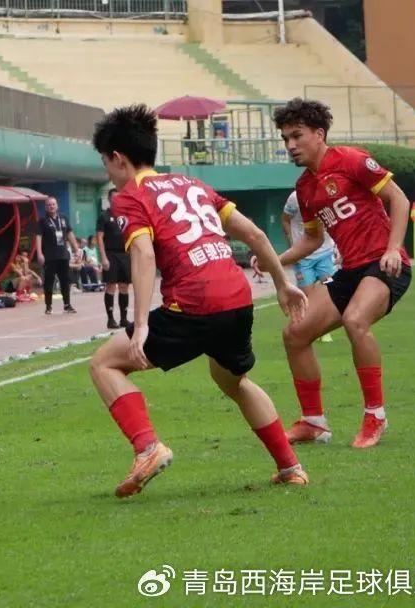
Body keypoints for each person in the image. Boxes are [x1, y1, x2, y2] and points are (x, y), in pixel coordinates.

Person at [88, 104, 310, 498]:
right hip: (237, 299)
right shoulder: (193, 185)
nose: (107, 172)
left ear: (118, 158)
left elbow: (143, 255)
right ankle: (290, 467)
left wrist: (141, 326)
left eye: (105, 163)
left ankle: (148, 448)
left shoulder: (129, 196)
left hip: (193, 304)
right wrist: (283, 284)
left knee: (104, 363)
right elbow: (256, 235)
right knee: (233, 380)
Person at [264, 98, 412, 449]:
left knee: (355, 321)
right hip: (350, 270)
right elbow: (313, 239)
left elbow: (400, 199)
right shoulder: (304, 188)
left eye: (297, 136)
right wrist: (274, 259)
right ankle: (314, 423)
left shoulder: (351, 160)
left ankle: (375, 415)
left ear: (319, 134)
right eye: (285, 138)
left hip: (385, 264)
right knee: (295, 334)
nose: (290, 145)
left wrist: (393, 248)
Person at [281, 190, 337, 343]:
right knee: (308, 296)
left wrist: (337, 247)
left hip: (325, 254)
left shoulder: (330, 192)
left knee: (330, 286)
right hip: (303, 257)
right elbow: (285, 219)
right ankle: (313, 330)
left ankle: (324, 329)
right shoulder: (295, 197)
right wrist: (292, 243)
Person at [35, 198, 79, 314]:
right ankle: (48, 306)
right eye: (49, 205)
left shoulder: (63, 218)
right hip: (49, 256)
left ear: (57, 206)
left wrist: (76, 249)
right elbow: (38, 237)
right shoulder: (42, 221)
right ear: (46, 207)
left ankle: (67, 305)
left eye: (53, 204)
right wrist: (39, 253)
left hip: (63, 255)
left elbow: (69, 233)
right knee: (49, 281)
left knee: (65, 280)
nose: (51, 206)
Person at [96, 189, 132, 329]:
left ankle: (124, 319)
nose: (117, 200)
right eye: (114, 198)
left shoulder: (125, 216)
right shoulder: (104, 216)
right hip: (110, 255)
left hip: (125, 254)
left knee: (124, 286)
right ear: (109, 199)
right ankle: (110, 319)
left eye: (119, 198)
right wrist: (103, 258)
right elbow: (99, 238)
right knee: (111, 286)